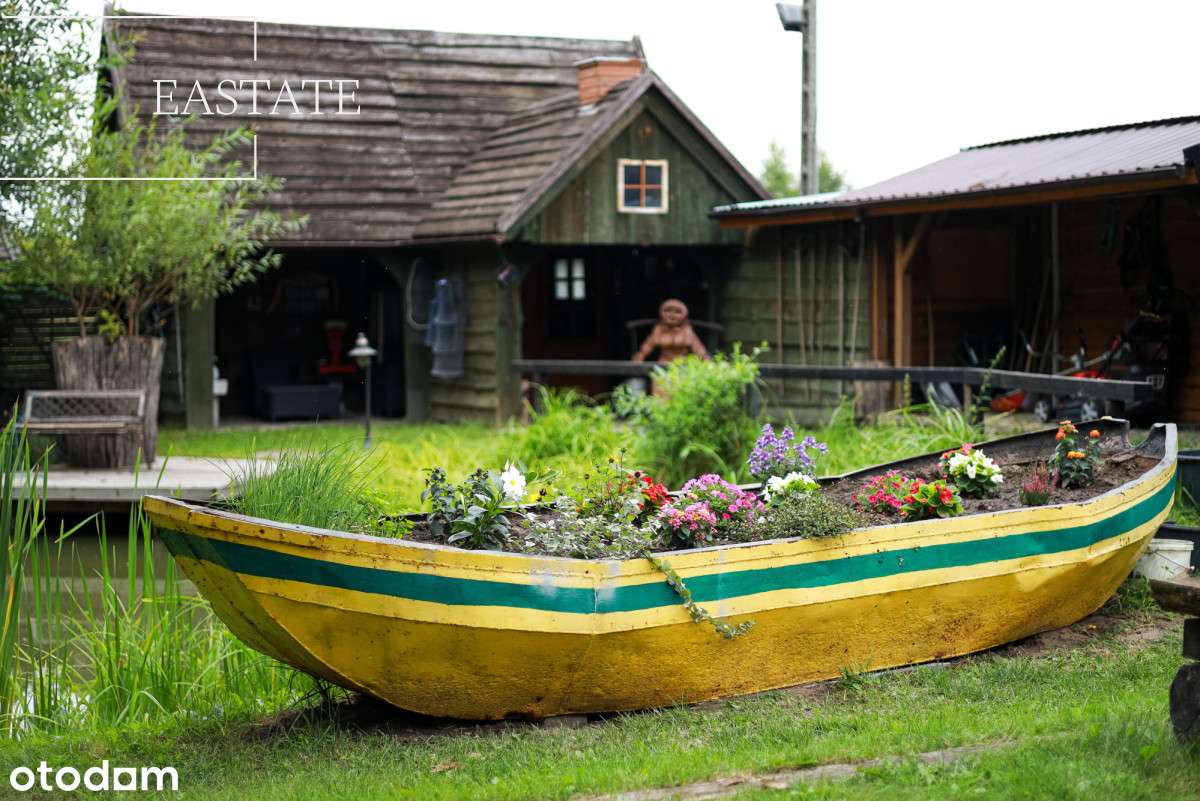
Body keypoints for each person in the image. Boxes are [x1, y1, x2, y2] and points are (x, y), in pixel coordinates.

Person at [632, 298, 709, 364]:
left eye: (677, 312)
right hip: (664, 361)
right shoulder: (659, 329)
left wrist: (705, 358)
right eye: (668, 311)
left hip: (682, 363)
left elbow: (697, 346)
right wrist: (640, 355)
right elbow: (649, 344)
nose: (672, 315)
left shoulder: (686, 329)